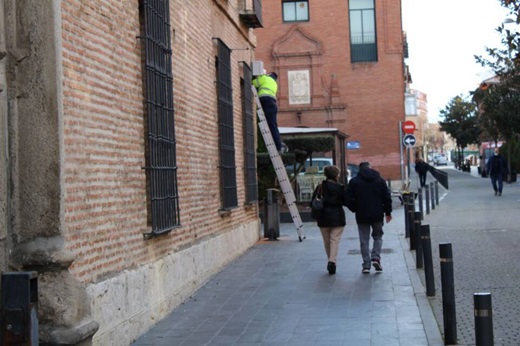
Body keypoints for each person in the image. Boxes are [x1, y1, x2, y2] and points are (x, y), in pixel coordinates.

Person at [345, 162, 392, 274]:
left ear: (360, 170)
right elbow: (387, 197)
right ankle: (376, 258)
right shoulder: (379, 180)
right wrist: (388, 212)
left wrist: (354, 208)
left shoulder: (354, 181)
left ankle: (366, 265)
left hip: (362, 214)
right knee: (378, 237)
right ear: (370, 168)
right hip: (377, 214)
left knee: (364, 240)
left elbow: (347, 198)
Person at [310, 165, 347, 275]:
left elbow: (312, 201)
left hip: (323, 217)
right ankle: (332, 261)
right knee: (334, 240)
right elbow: (346, 201)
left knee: (327, 241)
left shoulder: (320, 187)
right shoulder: (340, 187)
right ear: (336, 175)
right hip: (337, 217)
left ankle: (331, 261)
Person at [252, 72, 286, 154]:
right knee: (273, 125)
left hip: (265, 101)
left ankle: (278, 146)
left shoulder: (265, 78)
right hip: (272, 104)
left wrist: (257, 77)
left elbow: (253, 83)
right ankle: (279, 145)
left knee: (270, 125)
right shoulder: (274, 84)